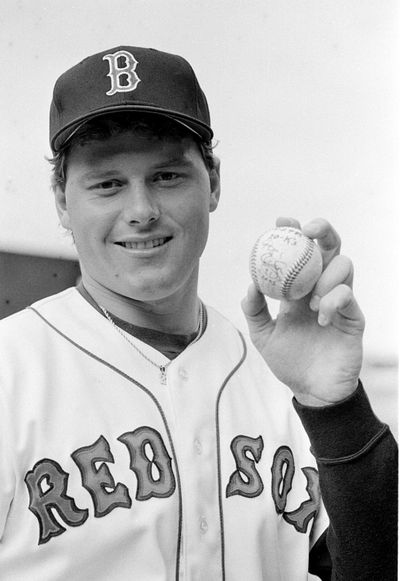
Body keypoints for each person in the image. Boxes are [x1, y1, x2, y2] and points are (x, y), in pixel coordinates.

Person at [0, 46, 396, 581]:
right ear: (62, 200)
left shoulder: (285, 384)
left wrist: (336, 409)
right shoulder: (10, 373)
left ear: (212, 182)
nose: (140, 211)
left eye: (167, 176)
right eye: (107, 183)